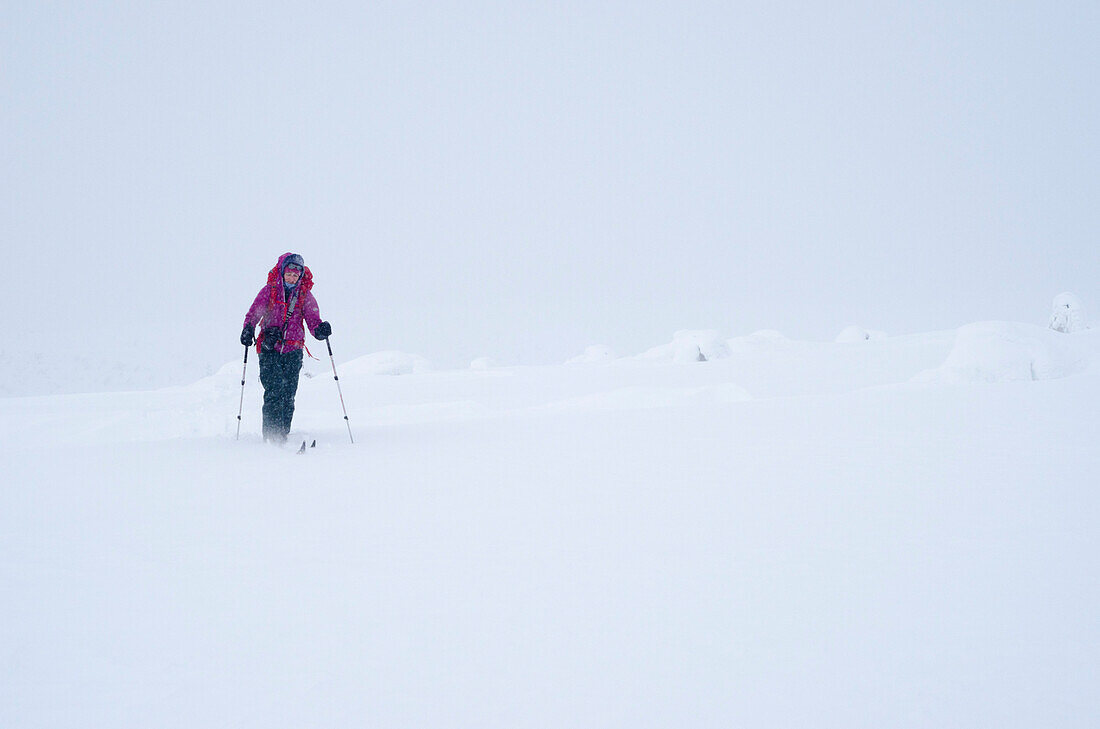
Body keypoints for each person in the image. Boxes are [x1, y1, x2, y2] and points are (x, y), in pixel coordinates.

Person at [241, 253, 332, 443]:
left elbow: (313, 320)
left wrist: (320, 330)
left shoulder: (305, 295)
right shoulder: (269, 291)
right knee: (274, 391)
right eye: (289, 274)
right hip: (269, 349)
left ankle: (283, 434)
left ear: (300, 275)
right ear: (282, 272)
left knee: (289, 394)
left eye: (295, 275)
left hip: (293, 351)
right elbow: (254, 312)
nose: (292, 278)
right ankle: (272, 437)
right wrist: (248, 329)